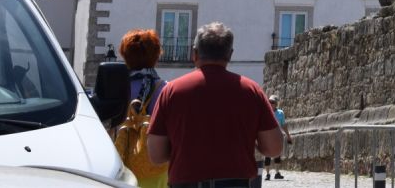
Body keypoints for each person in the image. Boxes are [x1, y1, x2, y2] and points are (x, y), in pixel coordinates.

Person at [146, 21, 283, 186]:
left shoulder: (171, 91)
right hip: (236, 183)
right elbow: (274, 148)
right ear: (230, 54)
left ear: (194, 54)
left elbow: (156, 155)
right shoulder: (251, 91)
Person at [117, 29, 168, 188]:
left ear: (125, 56)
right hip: (155, 168)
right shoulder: (164, 89)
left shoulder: (117, 88)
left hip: (121, 165)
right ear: (156, 56)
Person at [264, 95, 293, 180]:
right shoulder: (265, 112)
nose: (270, 103)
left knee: (277, 155)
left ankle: (277, 173)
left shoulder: (280, 113)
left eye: (272, 102)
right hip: (268, 136)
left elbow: (283, 125)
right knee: (267, 155)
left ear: (276, 104)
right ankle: (267, 174)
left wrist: (288, 136)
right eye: (269, 102)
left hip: (278, 136)